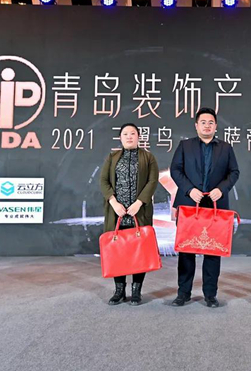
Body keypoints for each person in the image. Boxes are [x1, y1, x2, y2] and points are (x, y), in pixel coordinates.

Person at [169, 108, 240, 308]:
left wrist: (222, 189)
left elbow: (234, 172)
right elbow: (175, 170)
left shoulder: (225, 148)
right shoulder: (185, 145)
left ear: (215, 126)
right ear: (196, 125)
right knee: (186, 251)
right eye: (203, 122)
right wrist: (189, 190)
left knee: (213, 251)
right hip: (190, 203)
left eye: (211, 122)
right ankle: (183, 293)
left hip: (215, 205)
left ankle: (210, 294)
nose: (207, 126)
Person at [100, 123, 159, 306]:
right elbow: (103, 181)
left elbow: (152, 181)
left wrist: (139, 203)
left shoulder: (148, 157)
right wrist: (114, 203)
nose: (129, 137)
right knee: (117, 251)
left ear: (138, 137)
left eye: (132, 133)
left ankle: (136, 291)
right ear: (120, 137)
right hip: (117, 212)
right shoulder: (112, 157)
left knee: (139, 251)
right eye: (125, 134)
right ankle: (119, 290)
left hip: (139, 212)